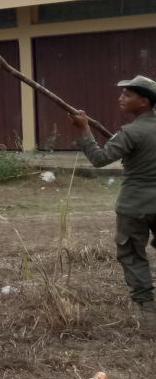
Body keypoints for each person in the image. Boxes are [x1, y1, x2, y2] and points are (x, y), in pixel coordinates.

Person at [70, 75, 156, 336]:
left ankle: (149, 313)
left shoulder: (130, 132)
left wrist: (83, 130)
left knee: (132, 254)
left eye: (128, 94)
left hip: (134, 206)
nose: (121, 98)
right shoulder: (133, 132)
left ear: (144, 102)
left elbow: (99, 158)